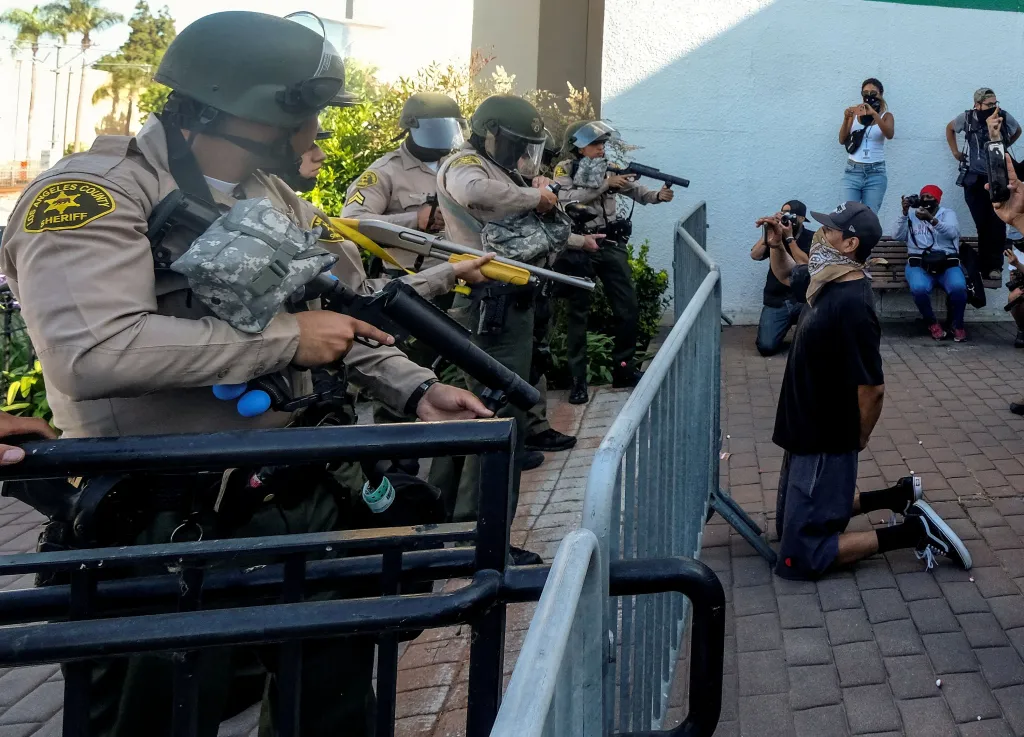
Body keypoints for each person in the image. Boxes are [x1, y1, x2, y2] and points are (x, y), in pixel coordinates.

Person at [0, 11, 497, 737]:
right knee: (157, 713)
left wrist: (414, 387)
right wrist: (283, 342)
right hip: (162, 521)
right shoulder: (93, 195)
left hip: (294, 493)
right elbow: (97, 349)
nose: (319, 134)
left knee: (330, 702)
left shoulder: (271, 196)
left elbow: (332, 308)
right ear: (261, 114)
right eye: (313, 115)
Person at [428, 95, 602, 561]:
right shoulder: (467, 164)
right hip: (493, 309)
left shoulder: (494, 166)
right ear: (493, 135)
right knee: (499, 420)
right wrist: (536, 195)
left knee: (477, 413)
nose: (524, 154)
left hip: (506, 306)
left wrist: (577, 236)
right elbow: (477, 195)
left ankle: (447, 524)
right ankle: (480, 542)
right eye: (519, 144)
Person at [762, 201, 971, 580]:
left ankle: (912, 532)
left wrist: (855, 438)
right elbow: (785, 275)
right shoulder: (826, 278)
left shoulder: (854, 305)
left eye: (830, 231)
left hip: (825, 438)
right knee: (785, 527)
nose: (821, 235)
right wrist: (778, 244)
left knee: (798, 557)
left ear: (850, 245)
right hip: (801, 430)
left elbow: (872, 389)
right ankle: (895, 497)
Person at [553, 120, 674, 404]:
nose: (601, 149)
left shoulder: (607, 169)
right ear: (578, 147)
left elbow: (635, 190)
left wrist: (657, 196)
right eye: (595, 144)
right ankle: (577, 381)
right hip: (579, 247)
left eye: (603, 144)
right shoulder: (565, 170)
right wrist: (605, 184)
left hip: (609, 245)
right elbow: (566, 198)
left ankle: (623, 370)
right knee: (577, 316)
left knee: (627, 307)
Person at [946, 88, 1022, 279]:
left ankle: (995, 267)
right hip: (974, 178)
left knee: (997, 222)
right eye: (989, 104)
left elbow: (1018, 130)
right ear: (977, 104)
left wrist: (1004, 144)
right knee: (982, 223)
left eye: (995, 103)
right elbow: (950, 128)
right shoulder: (967, 117)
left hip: (997, 177)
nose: (993, 108)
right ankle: (983, 265)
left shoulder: (1002, 116)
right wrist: (955, 152)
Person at [893, 185, 966, 341]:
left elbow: (953, 232)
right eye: (923, 196)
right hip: (919, 264)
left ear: (937, 199)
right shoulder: (912, 216)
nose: (925, 200)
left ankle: (957, 325)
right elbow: (897, 236)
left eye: (929, 196)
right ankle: (932, 323)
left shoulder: (947, 214)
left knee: (959, 287)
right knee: (919, 288)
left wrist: (931, 220)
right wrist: (904, 214)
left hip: (946, 264)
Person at [750, 199, 813, 356]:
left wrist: (790, 238)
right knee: (766, 347)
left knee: (812, 346)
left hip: (803, 300)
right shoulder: (775, 233)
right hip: (777, 300)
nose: (787, 218)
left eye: (791, 215)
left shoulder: (813, 238)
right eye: (783, 213)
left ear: (802, 218)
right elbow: (755, 255)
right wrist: (770, 234)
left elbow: (806, 265)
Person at [838, 78, 895, 213]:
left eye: (873, 93)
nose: (869, 97)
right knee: (847, 213)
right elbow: (841, 139)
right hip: (853, 170)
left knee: (869, 215)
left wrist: (874, 114)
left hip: (875, 172)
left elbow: (889, 134)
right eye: (865, 93)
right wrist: (846, 118)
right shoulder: (855, 114)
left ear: (881, 94)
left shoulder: (886, 116)